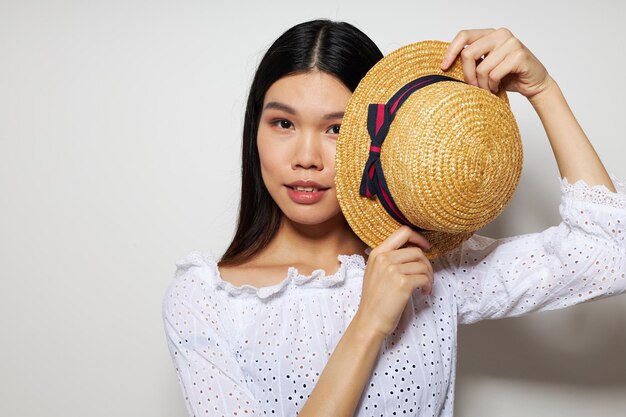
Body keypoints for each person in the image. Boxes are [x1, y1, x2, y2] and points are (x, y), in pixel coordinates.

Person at [162, 19, 626, 417]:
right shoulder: (206, 298)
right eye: (283, 123)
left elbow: (610, 254)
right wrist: (368, 323)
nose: (305, 157)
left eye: (336, 128)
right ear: (255, 131)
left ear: (374, 137)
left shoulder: (429, 266)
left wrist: (542, 91)